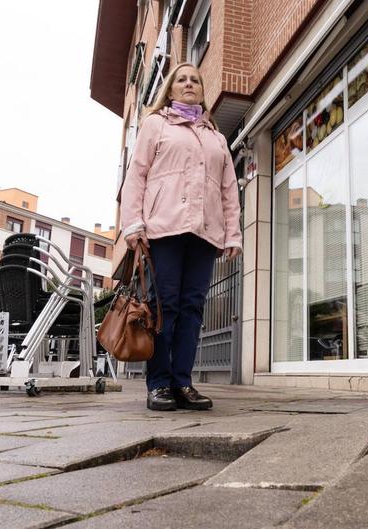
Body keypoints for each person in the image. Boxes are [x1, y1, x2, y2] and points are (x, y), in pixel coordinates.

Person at [120, 63, 242, 411]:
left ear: (203, 90)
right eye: (182, 80)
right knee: (164, 307)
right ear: (171, 90)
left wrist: (232, 234)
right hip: (164, 228)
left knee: (193, 308)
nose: (189, 84)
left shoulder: (216, 137)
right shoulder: (155, 124)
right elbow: (137, 175)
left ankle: (183, 382)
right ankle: (159, 383)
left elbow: (228, 190)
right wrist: (133, 224)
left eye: (195, 80)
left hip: (205, 233)